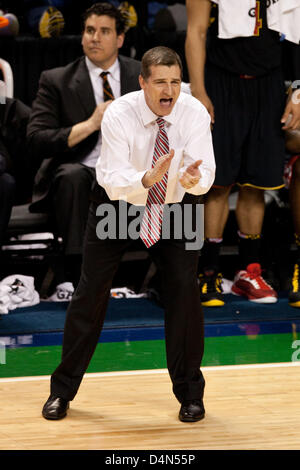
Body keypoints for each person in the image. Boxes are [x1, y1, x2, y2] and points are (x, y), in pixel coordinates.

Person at [41, 46, 216, 423]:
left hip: (176, 206)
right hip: (118, 204)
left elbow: (206, 174)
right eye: (160, 82)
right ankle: (62, 391)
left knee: (185, 293)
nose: (169, 90)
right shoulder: (119, 113)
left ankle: (190, 394)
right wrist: (146, 178)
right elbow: (111, 179)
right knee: (90, 293)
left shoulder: (194, 112)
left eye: (175, 81)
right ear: (143, 83)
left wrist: (193, 181)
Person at [185, 0, 300, 307]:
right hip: (222, 82)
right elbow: (195, 31)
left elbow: (296, 33)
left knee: (256, 185)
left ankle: (248, 271)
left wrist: (298, 90)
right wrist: (199, 91)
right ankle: (207, 270)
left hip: (269, 85)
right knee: (219, 183)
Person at [27, 2, 141, 299]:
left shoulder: (142, 76)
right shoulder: (57, 80)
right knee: (75, 176)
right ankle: (79, 278)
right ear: (81, 37)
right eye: (90, 31)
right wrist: (91, 124)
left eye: (104, 31)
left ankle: (175, 277)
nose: (95, 38)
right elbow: (37, 139)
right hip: (80, 170)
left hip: (131, 170)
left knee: (183, 179)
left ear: (120, 39)